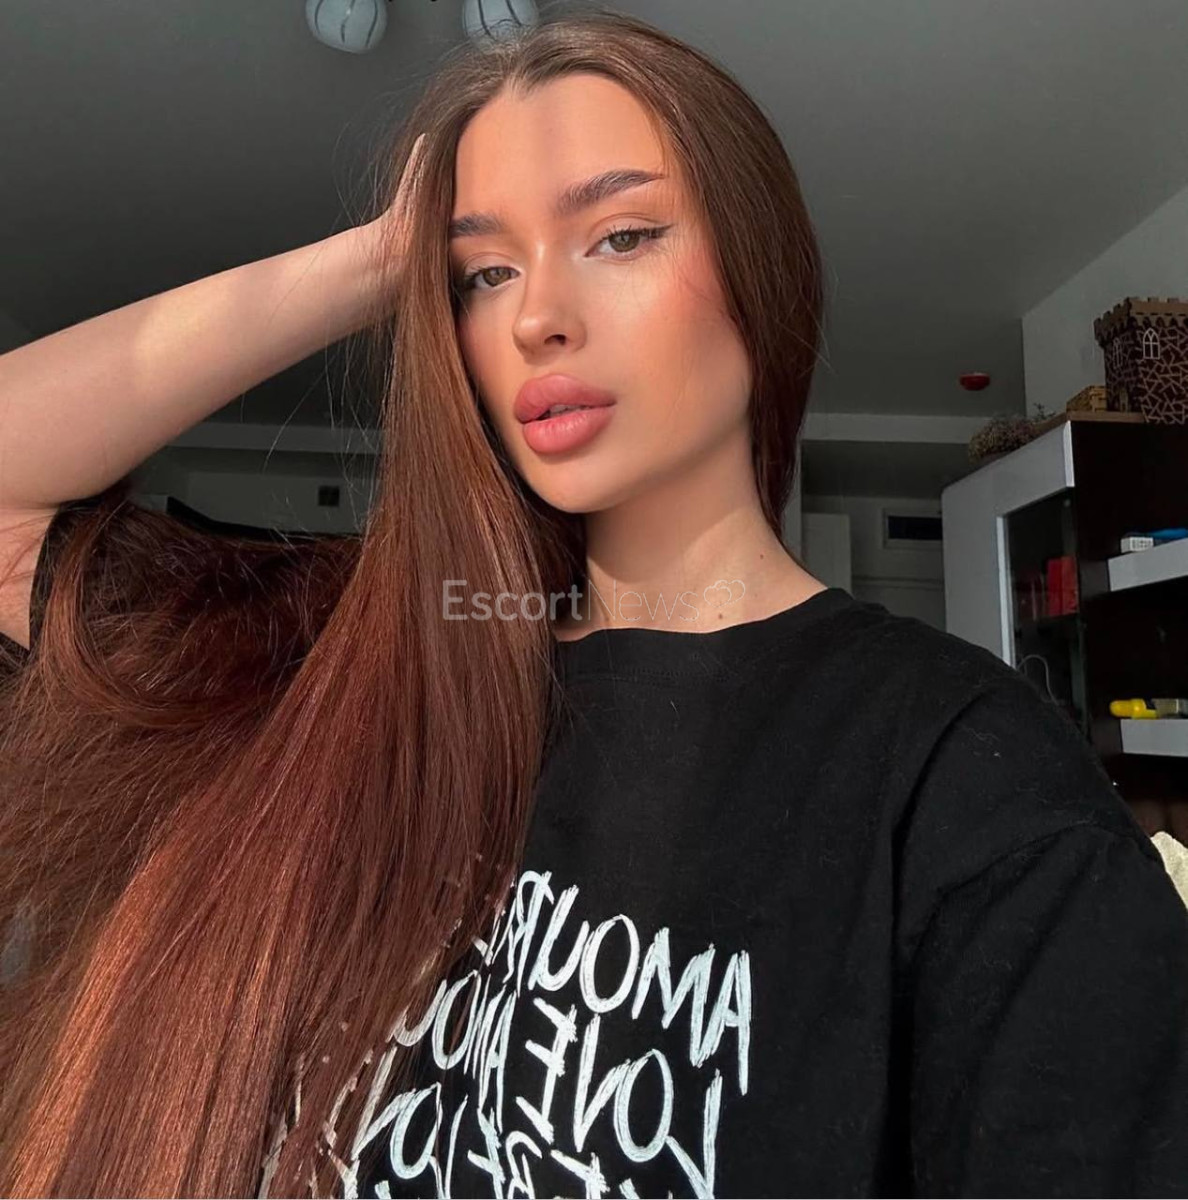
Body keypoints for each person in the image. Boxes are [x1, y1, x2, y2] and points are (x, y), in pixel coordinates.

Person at [1, 8, 1186, 1199]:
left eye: (620, 236)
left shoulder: (961, 773)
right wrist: (385, 257)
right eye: (484, 273)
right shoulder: (364, 654)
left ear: (762, 273)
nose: (533, 318)